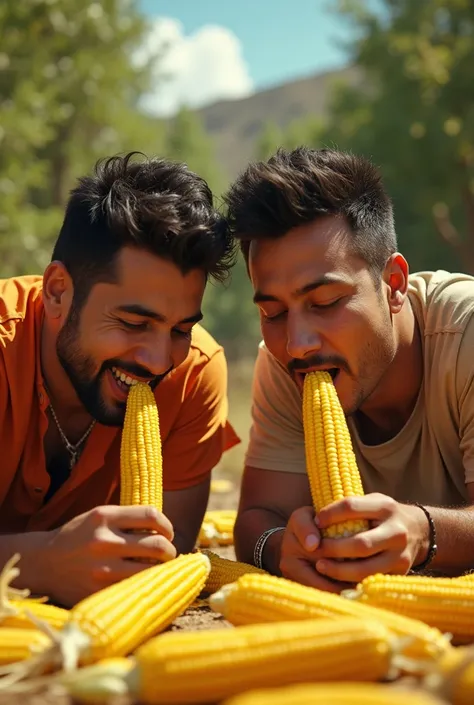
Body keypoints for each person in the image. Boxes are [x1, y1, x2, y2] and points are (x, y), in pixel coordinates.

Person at [224, 146, 474, 592]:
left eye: (326, 303)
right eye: (274, 312)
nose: (298, 344)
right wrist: (280, 546)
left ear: (393, 284)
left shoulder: (466, 336)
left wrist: (424, 534)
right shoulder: (283, 364)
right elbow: (256, 521)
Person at [0, 151, 239, 607]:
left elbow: (159, 558)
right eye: (133, 323)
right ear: (57, 292)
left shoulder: (196, 375)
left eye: (181, 329)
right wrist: (43, 563)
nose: (157, 359)